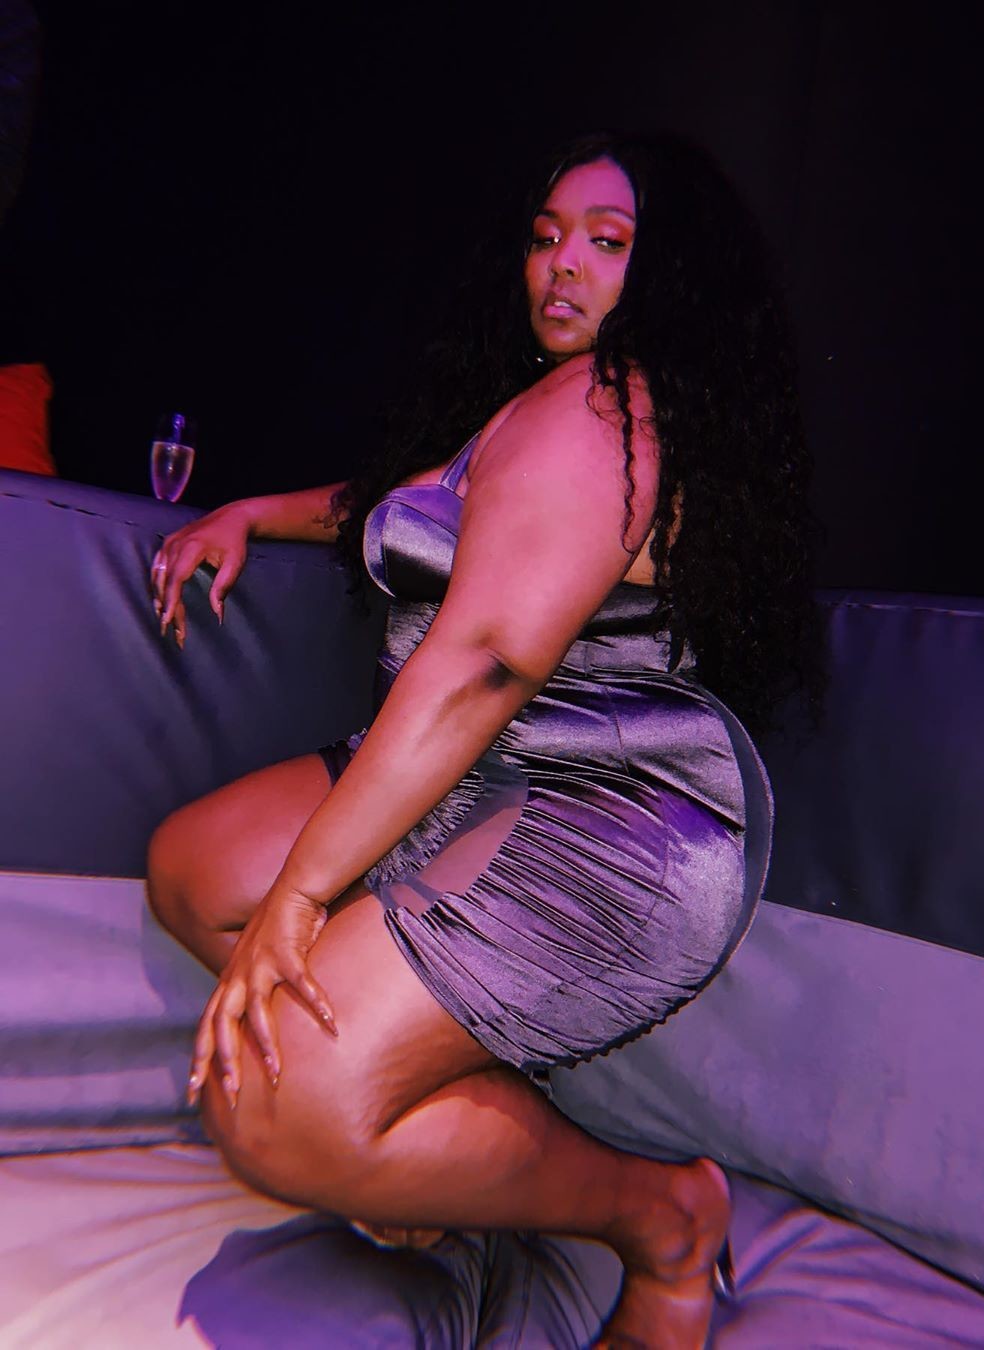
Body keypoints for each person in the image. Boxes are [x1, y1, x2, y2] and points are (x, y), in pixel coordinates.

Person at [146, 130, 824, 1347]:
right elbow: (397, 508)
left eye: (607, 242)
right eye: (545, 236)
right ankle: (439, 1141)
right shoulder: (542, 402)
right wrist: (251, 512)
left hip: (602, 814)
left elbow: (484, 666)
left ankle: (664, 1220)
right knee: (196, 872)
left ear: (669, 270)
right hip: (491, 773)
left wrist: (305, 893)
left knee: (272, 1109)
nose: (562, 266)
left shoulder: (606, 413)